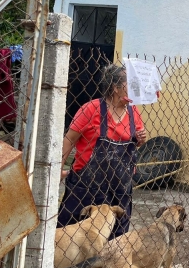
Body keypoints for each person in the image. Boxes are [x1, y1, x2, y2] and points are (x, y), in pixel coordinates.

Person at [58, 64, 148, 239]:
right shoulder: (91, 109)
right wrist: (56, 171)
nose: (135, 89)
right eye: (130, 84)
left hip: (120, 187)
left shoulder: (133, 111)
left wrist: (140, 139)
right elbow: (69, 140)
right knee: (70, 233)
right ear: (115, 88)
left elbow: (134, 144)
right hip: (87, 185)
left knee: (116, 236)